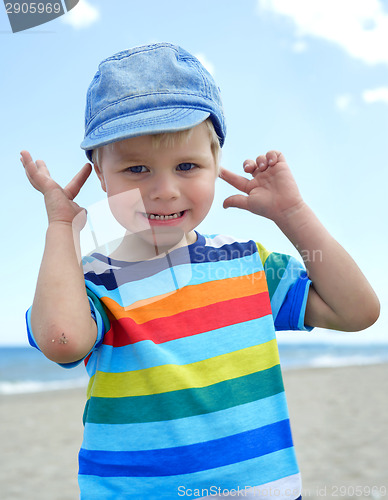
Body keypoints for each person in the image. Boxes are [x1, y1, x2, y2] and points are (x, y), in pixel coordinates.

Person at [21, 43, 379, 500]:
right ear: (100, 174)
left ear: (215, 164)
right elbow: (61, 341)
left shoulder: (248, 263)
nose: (164, 190)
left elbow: (358, 312)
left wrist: (293, 214)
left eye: (187, 166)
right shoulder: (92, 280)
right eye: (136, 169)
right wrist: (62, 227)